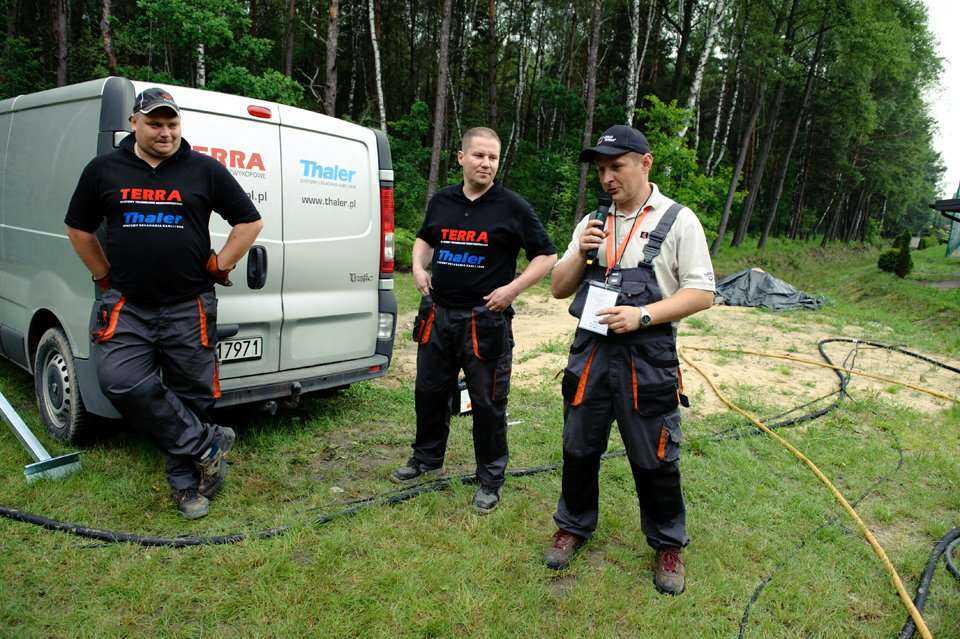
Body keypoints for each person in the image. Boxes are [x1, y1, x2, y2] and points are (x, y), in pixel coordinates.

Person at [64, 88, 264, 519]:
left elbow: (249, 221)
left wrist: (221, 262)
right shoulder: (104, 170)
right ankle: (207, 443)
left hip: (188, 304)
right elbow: (78, 228)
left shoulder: (204, 170)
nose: (165, 132)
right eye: (155, 124)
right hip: (129, 304)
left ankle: (186, 485)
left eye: (172, 124)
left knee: (190, 393)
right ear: (134, 123)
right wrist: (102, 275)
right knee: (119, 380)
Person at [543, 125, 715, 595]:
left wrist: (643, 315)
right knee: (579, 446)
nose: (607, 178)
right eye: (601, 170)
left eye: (616, 167)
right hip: (591, 354)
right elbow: (558, 288)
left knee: (655, 456)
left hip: (647, 358)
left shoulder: (679, 221)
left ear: (645, 163)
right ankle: (572, 526)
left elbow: (703, 292)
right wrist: (581, 252)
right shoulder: (593, 221)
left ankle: (668, 544)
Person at [392, 127, 558, 513]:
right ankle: (426, 458)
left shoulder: (512, 206)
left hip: (484, 321)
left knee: (487, 401)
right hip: (438, 314)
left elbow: (546, 255)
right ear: (461, 157)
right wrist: (418, 266)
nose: (486, 163)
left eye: (493, 158)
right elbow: (425, 238)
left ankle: (490, 478)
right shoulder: (442, 201)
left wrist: (512, 289)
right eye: (479, 155)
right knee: (429, 391)